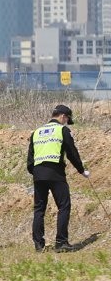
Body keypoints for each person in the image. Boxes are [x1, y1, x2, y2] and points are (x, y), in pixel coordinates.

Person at [28, 105, 89, 252]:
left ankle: (38, 244)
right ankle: (61, 243)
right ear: (63, 116)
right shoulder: (62, 130)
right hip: (55, 173)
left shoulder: (36, 132)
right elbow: (72, 153)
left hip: (38, 174)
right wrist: (81, 170)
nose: (66, 122)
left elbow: (30, 160)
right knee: (63, 206)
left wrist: (36, 172)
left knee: (39, 209)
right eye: (67, 119)